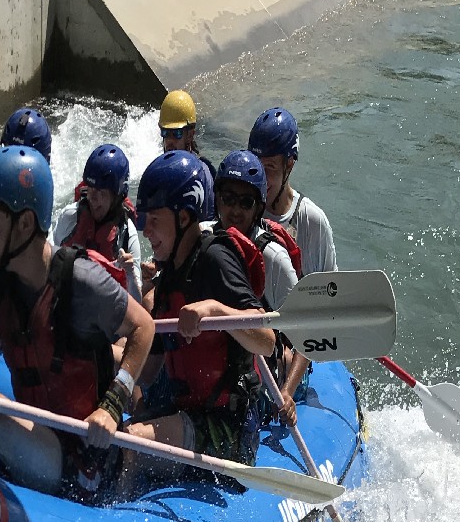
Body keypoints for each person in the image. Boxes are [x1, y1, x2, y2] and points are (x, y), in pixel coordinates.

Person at [0, 146, 155, 498]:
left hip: (82, 457)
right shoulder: (0, 281)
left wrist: (111, 406)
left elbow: (144, 327)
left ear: (26, 224)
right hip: (36, 435)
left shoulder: (80, 280)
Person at [128, 150, 275, 469]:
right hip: (186, 411)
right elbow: (148, 371)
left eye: (154, 220)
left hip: (229, 429)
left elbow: (267, 340)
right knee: (113, 435)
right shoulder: (168, 276)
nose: (146, 231)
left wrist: (215, 310)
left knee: (129, 445)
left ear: (183, 218)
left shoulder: (215, 259)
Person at [248, 106, 337, 412]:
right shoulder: (242, 207)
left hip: (291, 348)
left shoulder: (311, 221)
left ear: (290, 165)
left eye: (270, 168)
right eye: (256, 167)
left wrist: (287, 390)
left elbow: (320, 315)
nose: (261, 179)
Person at [214, 150, 302, 425]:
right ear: (217, 199)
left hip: (262, 373)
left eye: (246, 202)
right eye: (228, 199)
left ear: (258, 208)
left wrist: (287, 392)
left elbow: (305, 334)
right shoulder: (204, 239)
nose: (235, 210)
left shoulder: (273, 257)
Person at [53, 143, 143, 301]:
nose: (93, 198)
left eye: (101, 191)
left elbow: (137, 302)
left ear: (117, 195)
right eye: (91, 188)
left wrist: (129, 274)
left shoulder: (127, 232)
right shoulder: (69, 216)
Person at [158, 90, 216, 220]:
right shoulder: (158, 172)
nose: (170, 141)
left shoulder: (202, 174)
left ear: (190, 135)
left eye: (177, 133)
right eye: (165, 133)